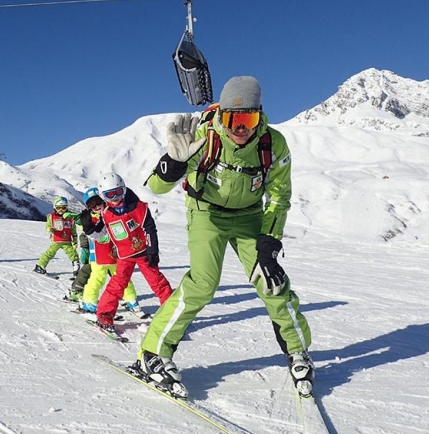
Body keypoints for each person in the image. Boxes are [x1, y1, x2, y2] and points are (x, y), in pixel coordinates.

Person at [135, 76, 314, 399]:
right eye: (233, 119)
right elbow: (155, 187)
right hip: (207, 213)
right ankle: (153, 353)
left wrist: (269, 240)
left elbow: (278, 195)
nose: (240, 128)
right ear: (221, 116)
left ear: (260, 116)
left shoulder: (273, 144)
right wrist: (174, 163)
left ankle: (297, 350)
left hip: (249, 216)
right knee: (203, 283)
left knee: (272, 281)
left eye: (248, 119)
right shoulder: (203, 135)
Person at [82, 173, 173, 333]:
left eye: (118, 192)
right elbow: (100, 235)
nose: (115, 197)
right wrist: (89, 229)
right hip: (124, 256)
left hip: (143, 253)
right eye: (110, 195)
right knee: (117, 285)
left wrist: (153, 250)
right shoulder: (106, 213)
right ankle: (105, 314)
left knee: (157, 281)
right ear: (104, 196)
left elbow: (150, 228)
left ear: (124, 189)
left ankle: (172, 313)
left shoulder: (138, 207)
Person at [74, 187, 140, 314]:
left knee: (123, 278)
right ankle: (89, 303)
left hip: (115, 255)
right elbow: (87, 235)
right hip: (97, 257)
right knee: (96, 280)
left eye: (98, 202)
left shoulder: (113, 214)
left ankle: (131, 300)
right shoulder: (89, 219)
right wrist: (85, 250)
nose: (97, 206)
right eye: (92, 205)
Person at [34, 196, 80, 278]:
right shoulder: (51, 217)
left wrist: (75, 240)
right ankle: (40, 266)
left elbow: (73, 230)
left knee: (73, 253)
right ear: (55, 207)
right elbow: (48, 225)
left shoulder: (70, 217)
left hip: (67, 241)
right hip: (56, 240)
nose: (61, 210)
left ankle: (76, 268)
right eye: (58, 208)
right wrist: (50, 229)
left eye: (63, 208)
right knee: (50, 253)